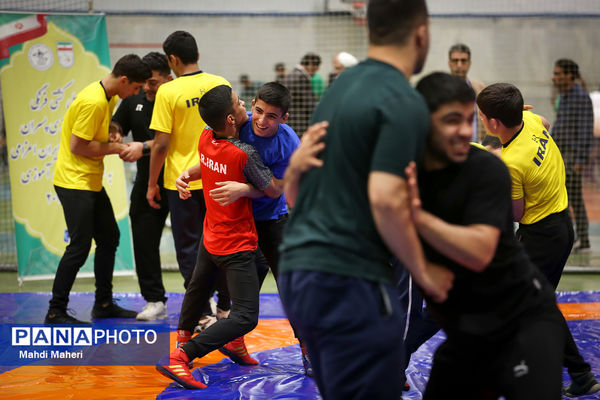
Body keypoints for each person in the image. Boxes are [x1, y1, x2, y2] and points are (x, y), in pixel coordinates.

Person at [278, 1, 454, 399]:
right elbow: (387, 202)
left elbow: (295, 191)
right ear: (421, 33)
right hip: (347, 280)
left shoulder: (341, 87)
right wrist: (426, 272)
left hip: (298, 273)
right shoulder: (401, 99)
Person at [408, 72, 567, 399]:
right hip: (470, 329)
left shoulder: (495, 169)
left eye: (471, 119)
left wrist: (412, 217)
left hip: (514, 323)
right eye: (455, 120)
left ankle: (579, 372)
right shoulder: (413, 170)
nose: (467, 129)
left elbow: (482, 247)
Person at [476, 83, 600, 397]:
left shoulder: (512, 162)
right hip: (559, 226)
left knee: (533, 303)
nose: (478, 120)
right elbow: (543, 122)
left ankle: (575, 373)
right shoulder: (529, 122)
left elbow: (516, 212)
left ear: (494, 123)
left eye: (481, 116)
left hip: (544, 235)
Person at [156, 85, 282, 390]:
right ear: (230, 118)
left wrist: (187, 174)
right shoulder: (244, 152)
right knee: (246, 316)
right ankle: (183, 355)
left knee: (198, 288)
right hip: (235, 245)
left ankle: (208, 342)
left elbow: (210, 165)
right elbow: (274, 189)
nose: (248, 111)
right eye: (241, 104)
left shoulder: (205, 136)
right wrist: (246, 188)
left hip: (211, 235)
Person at [206, 82, 310, 374]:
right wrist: (190, 172)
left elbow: (276, 189)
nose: (263, 121)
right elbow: (216, 154)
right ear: (251, 105)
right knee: (238, 290)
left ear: (285, 118)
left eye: (272, 116)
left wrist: (243, 189)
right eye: (259, 111)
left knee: (290, 287)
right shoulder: (239, 123)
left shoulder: (289, 143)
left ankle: (308, 347)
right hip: (239, 220)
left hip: (272, 222)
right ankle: (233, 340)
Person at [45, 54, 151, 324]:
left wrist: (114, 132)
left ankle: (103, 303)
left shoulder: (109, 96)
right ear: (124, 80)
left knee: (109, 237)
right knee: (79, 246)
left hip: (90, 179)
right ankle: (56, 310)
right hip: (74, 181)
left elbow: (104, 128)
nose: (136, 93)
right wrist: (117, 147)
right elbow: (77, 146)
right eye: (136, 88)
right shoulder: (93, 101)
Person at [146, 30, 229, 292]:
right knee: (221, 242)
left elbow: (160, 144)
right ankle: (224, 308)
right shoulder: (220, 83)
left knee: (189, 247)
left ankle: (201, 310)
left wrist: (151, 183)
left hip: (182, 182)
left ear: (172, 59)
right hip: (218, 178)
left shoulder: (168, 91)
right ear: (198, 55)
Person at [111, 52, 172, 321]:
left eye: (153, 82)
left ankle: (205, 301)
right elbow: (118, 123)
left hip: (180, 182)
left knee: (192, 246)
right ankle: (154, 299)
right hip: (147, 183)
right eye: (144, 82)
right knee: (145, 241)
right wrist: (113, 131)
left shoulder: (175, 101)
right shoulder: (134, 98)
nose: (147, 87)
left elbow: (170, 140)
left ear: (168, 79)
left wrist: (143, 147)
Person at [551, 59, 594, 252]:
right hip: (562, 156)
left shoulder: (580, 97)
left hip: (571, 157)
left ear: (569, 75)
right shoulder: (566, 96)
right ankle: (579, 239)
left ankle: (581, 240)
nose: (554, 77)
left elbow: (586, 128)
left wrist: (581, 159)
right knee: (570, 198)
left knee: (572, 199)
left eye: (558, 73)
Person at [448, 43, 485, 142]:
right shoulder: (440, 88)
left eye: (463, 61)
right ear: (449, 63)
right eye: (455, 61)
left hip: (477, 146)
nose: (459, 65)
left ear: (469, 63)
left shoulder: (479, 88)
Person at [282, 52, 321, 136]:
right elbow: (310, 105)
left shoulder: (291, 74)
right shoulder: (301, 77)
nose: (314, 73)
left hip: (288, 122)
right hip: (298, 124)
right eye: (315, 69)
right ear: (311, 64)